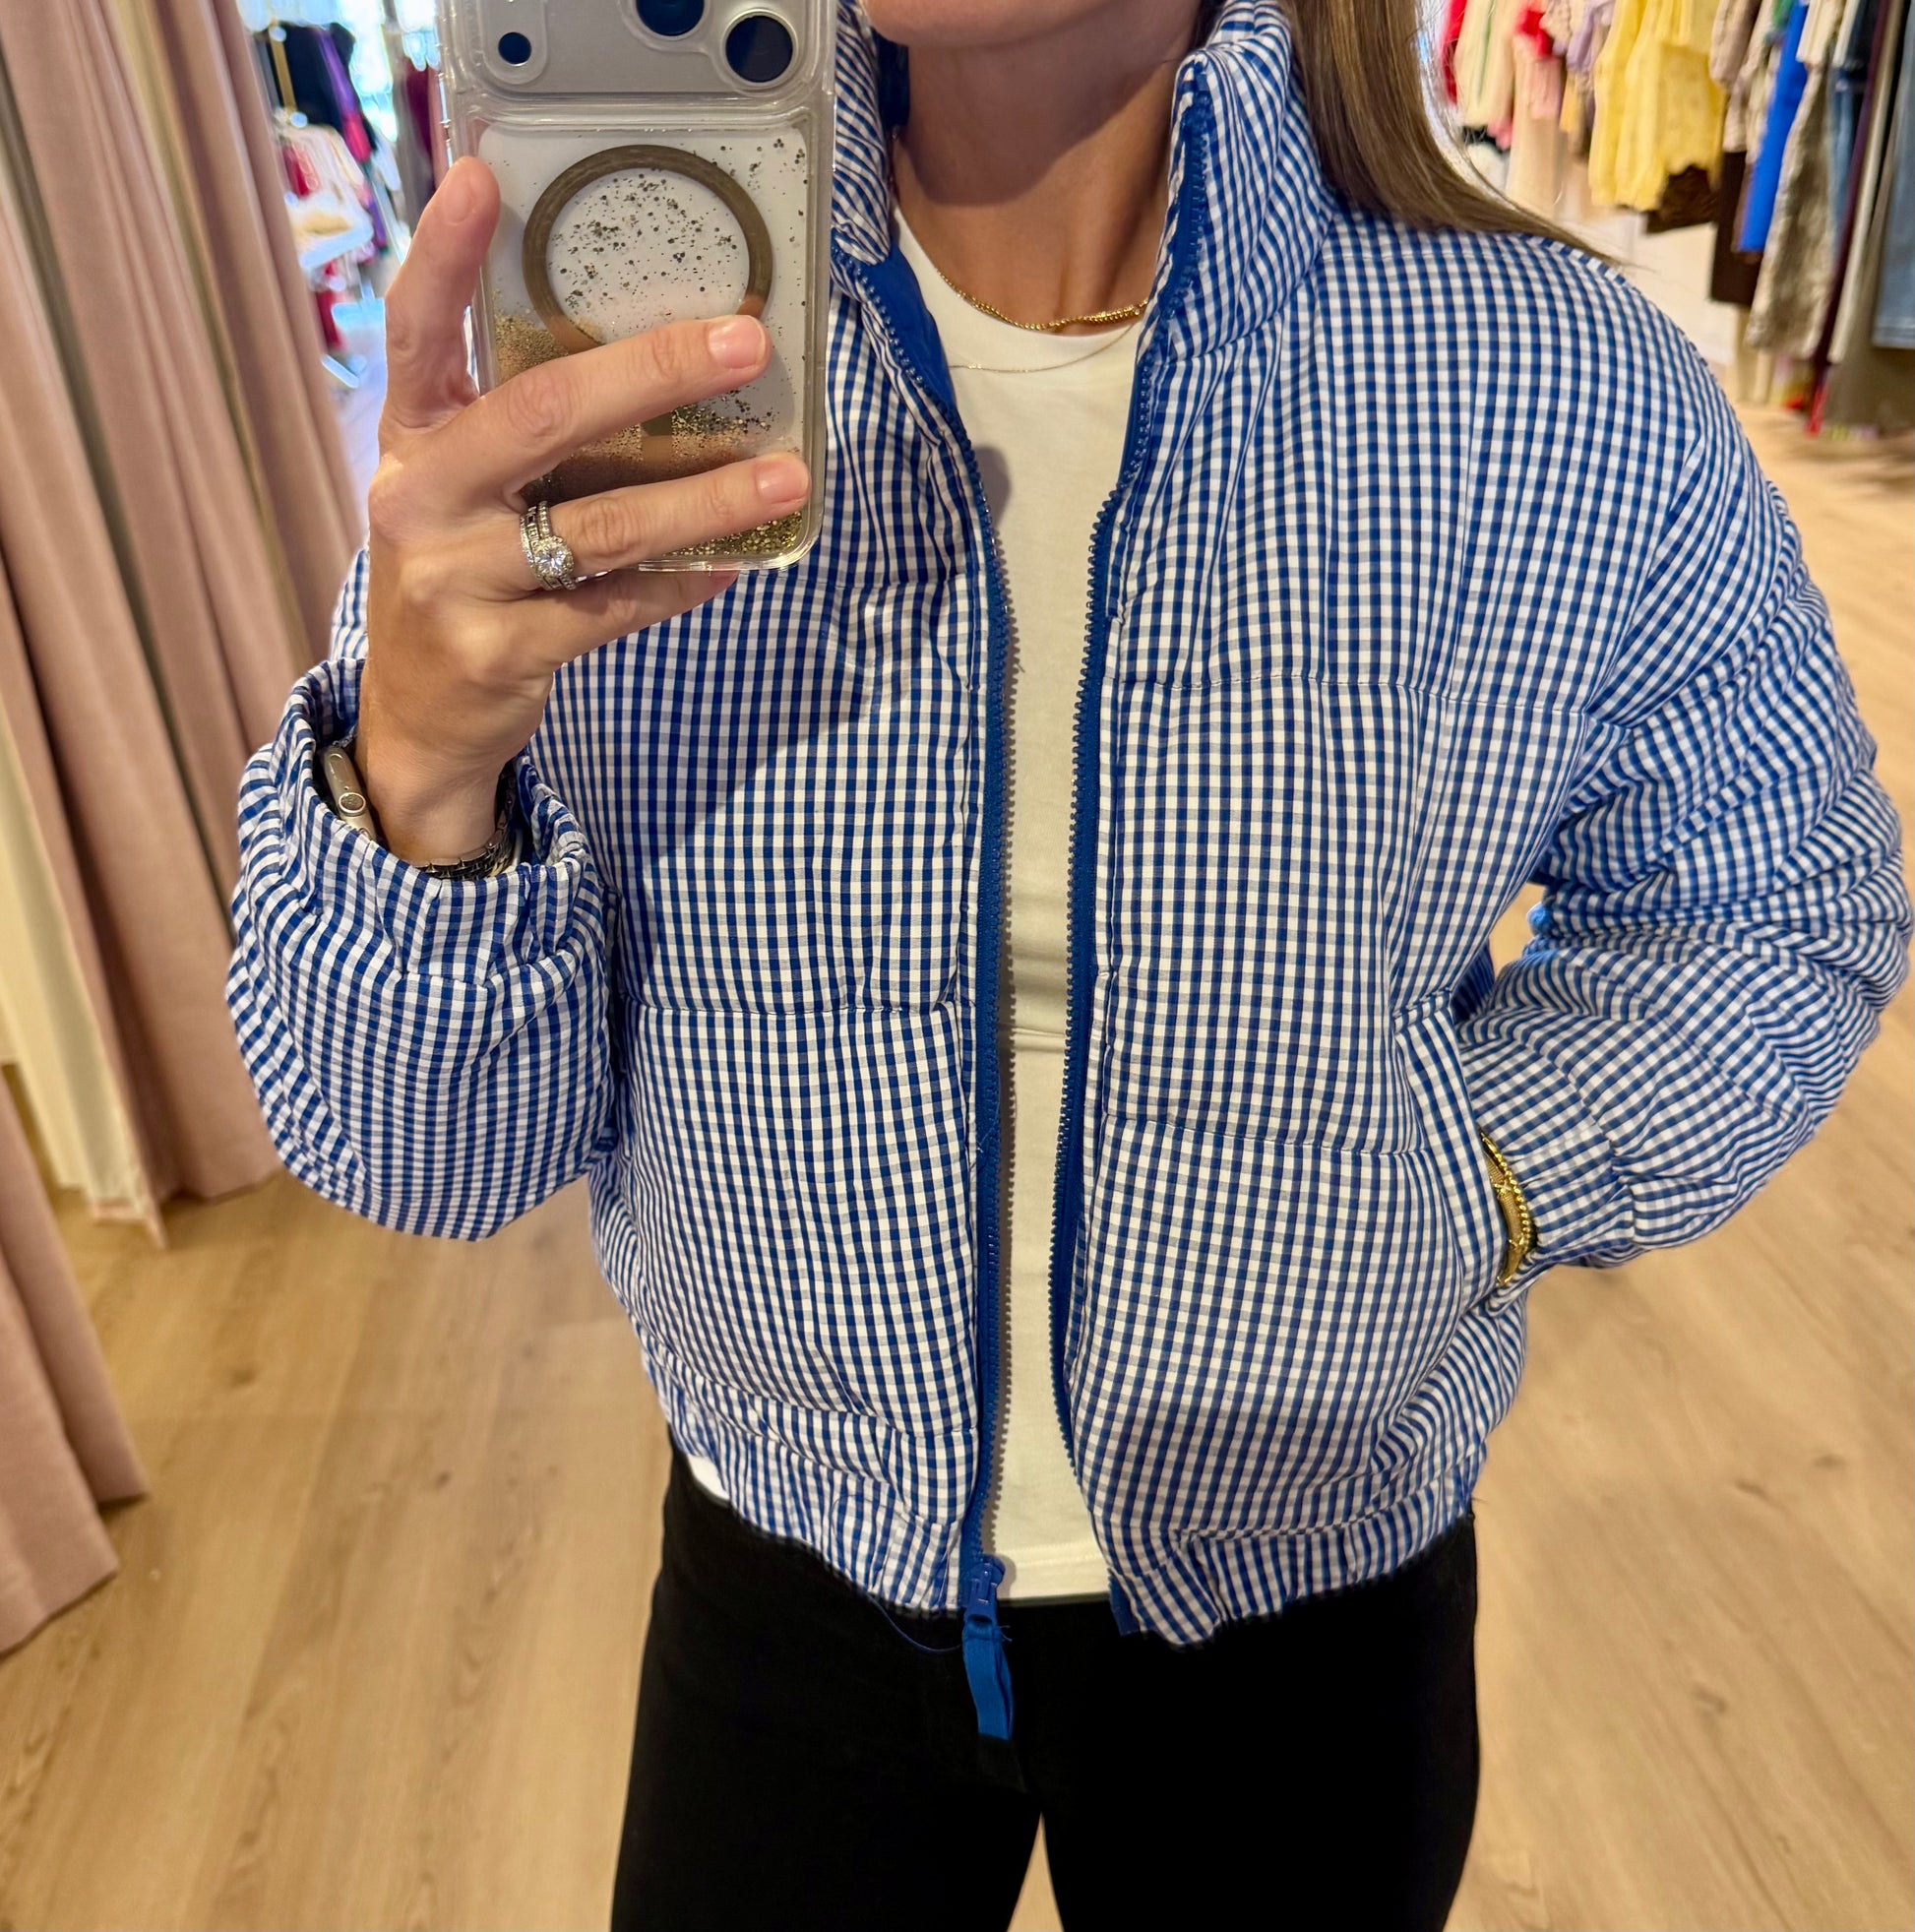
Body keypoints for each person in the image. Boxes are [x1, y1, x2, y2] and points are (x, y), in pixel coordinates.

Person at [226, 1, 1911, 1926]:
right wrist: (419, 771)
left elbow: (1769, 905)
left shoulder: (1547, 386)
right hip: (785, 1581)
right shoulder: (616, 362)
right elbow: (427, 1155)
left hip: (1309, 1606)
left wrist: (1472, 1180)